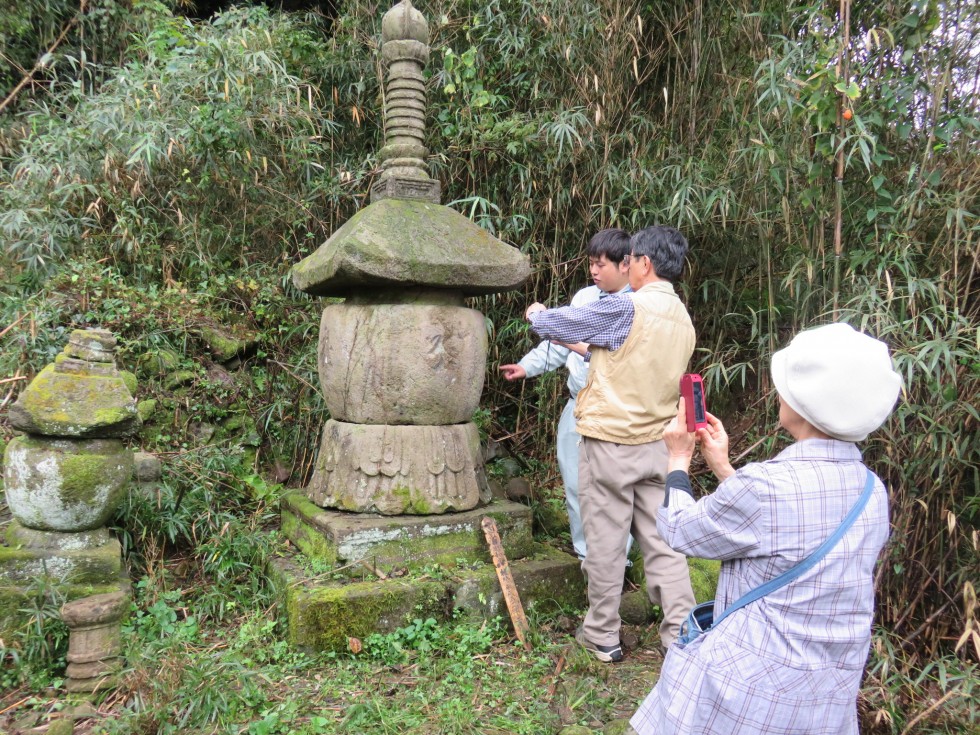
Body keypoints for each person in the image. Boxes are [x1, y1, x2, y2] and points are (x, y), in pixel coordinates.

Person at [631, 322, 901, 735]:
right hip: (826, 689)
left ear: (806, 404)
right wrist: (723, 466)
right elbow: (785, 528)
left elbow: (680, 530)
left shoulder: (766, 487)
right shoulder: (871, 489)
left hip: (751, 689)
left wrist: (679, 460)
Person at [525, 225, 697, 660]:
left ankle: (602, 634)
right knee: (664, 544)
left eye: (632, 258)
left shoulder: (627, 308)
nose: (628, 265)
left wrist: (537, 315)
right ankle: (681, 634)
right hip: (658, 446)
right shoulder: (682, 317)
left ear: (644, 263)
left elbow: (565, 323)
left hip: (609, 443)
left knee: (605, 541)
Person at [499, 228, 632, 560]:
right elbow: (560, 347)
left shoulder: (637, 303)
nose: (594, 271)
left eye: (601, 265)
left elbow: (595, 351)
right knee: (575, 483)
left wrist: (543, 319)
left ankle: (618, 558)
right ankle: (586, 554)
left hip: (618, 410)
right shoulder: (586, 298)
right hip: (578, 405)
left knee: (614, 488)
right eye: (591, 264)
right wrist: (527, 367)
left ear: (626, 264)